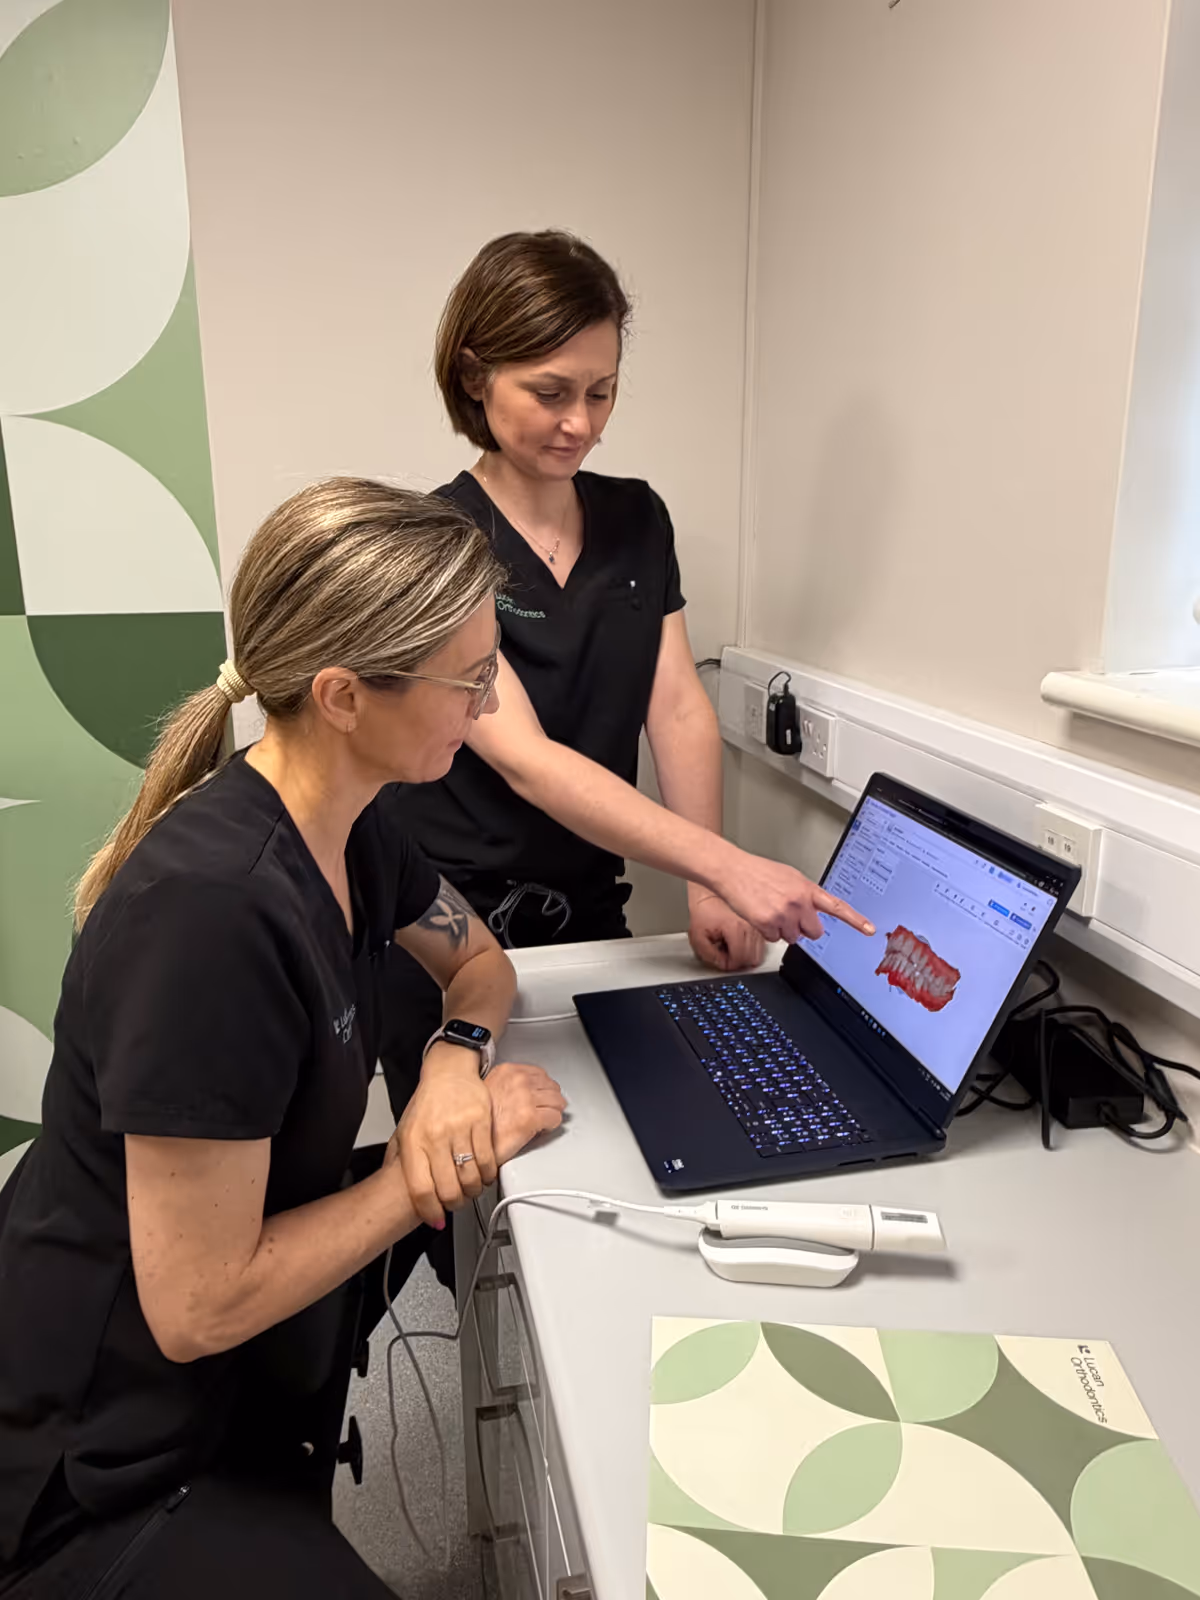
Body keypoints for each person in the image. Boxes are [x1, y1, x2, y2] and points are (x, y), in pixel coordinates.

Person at [0, 479, 565, 1597]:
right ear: (345, 694)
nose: (490, 699)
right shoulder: (211, 916)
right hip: (99, 1454)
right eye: (470, 679)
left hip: (224, 1346)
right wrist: (429, 1167)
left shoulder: (353, 830)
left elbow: (481, 960)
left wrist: (453, 1065)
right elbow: (198, 1302)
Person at [382, 230, 873, 1128]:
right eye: (551, 392)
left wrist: (706, 888)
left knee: (613, 1130)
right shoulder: (436, 544)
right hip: (447, 924)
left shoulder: (638, 518)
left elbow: (678, 705)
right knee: (460, 1176)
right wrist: (730, 865)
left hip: (585, 909)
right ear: (474, 375)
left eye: (602, 392)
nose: (582, 422)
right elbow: (525, 758)